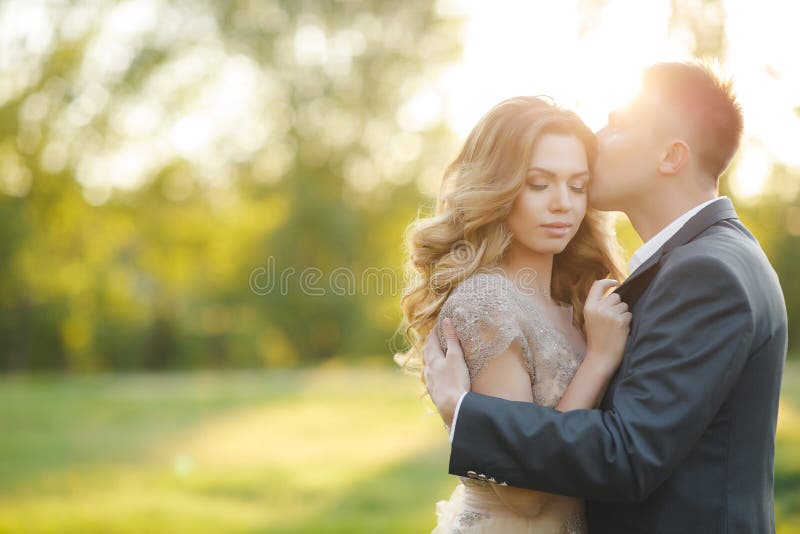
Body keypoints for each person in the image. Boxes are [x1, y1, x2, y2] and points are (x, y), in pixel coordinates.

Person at [422, 62, 788, 533]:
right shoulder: (706, 259)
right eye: (540, 183)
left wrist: (465, 413)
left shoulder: (705, 271)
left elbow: (627, 451)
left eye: (617, 125)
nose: (597, 136)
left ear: (671, 157)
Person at [397, 95, 632, 532]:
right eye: (539, 184)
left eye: (578, 185)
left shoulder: (578, 302)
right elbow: (524, 493)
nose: (564, 203)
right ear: (498, 187)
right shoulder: (486, 302)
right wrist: (599, 361)